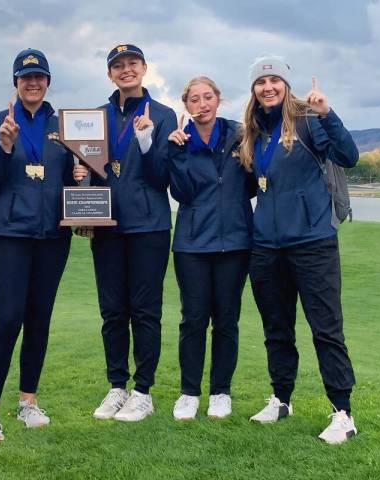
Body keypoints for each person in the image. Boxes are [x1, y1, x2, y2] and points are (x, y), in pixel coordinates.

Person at [238, 55, 359, 443]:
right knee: (277, 329)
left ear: (285, 86)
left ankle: (343, 413)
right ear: (254, 89)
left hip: (312, 243)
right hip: (267, 247)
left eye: (274, 80)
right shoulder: (253, 132)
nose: (267, 87)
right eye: (261, 82)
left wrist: (328, 114)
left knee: (326, 331)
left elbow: (348, 156)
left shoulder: (309, 121)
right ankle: (282, 398)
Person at [73, 44, 176, 422]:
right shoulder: (94, 118)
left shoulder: (163, 115)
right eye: (118, 66)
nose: (126, 70)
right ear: (110, 74)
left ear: (145, 68)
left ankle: (143, 391)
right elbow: (93, 169)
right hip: (107, 226)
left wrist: (147, 140)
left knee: (145, 310)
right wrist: (81, 178)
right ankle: (117, 385)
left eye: (132, 63)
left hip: (149, 225)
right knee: (112, 310)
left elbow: (162, 176)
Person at [0, 48, 75, 443]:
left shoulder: (61, 124)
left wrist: (81, 176)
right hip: (11, 235)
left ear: (48, 81)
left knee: (39, 319)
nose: (32, 83)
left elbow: (74, 178)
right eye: (25, 77)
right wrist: (2, 147)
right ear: (15, 82)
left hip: (53, 236)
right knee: (7, 319)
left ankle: (28, 401)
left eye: (39, 76)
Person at [166, 76, 255, 421]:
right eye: (194, 99)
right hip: (192, 244)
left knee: (227, 321)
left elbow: (250, 185)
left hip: (235, 241)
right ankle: (189, 392)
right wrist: (175, 155)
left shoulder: (240, 134)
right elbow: (182, 194)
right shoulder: (179, 141)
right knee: (193, 320)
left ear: (219, 100)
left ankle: (221, 391)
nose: (201, 105)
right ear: (186, 105)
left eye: (208, 98)